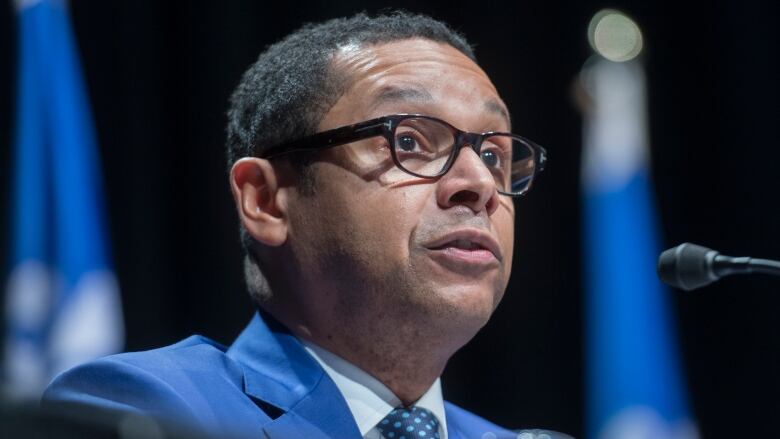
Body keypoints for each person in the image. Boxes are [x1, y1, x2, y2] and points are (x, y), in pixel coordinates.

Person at [43, 11, 566, 439]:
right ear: (267, 201)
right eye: (408, 142)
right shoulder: (152, 411)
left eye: (495, 155)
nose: (478, 183)